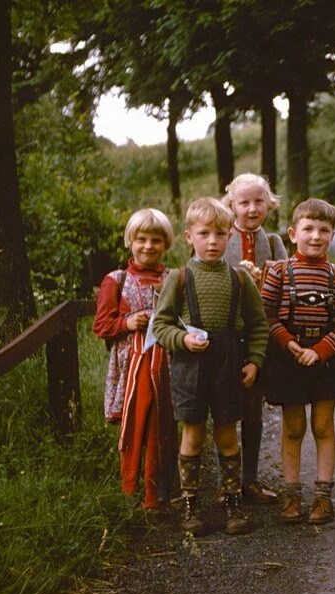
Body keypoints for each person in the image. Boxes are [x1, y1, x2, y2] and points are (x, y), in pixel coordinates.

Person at [152, 197, 269, 535]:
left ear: (230, 236)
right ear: (189, 236)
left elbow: (258, 325)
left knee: (227, 432)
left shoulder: (241, 279)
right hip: (191, 366)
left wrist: (255, 362)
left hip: (229, 362)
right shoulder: (180, 277)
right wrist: (182, 340)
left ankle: (233, 501)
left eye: (220, 234)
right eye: (204, 234)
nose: (213, 241)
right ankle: (191, 504)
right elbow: (161, 325)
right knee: (192, 433)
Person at [261, 198, 335, 525]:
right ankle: (291, 495)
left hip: (326, 359)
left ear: (332, 235)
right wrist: (290, 344)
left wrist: (320, 350)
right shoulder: (278, 271)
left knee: (322, 425)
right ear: (292, 233)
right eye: (308, 229)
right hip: (288, 357)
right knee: (294, 427)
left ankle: (323, 496)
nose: (315, 236)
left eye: (324, 230)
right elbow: (267, 315)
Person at [93, 208, 178, 512]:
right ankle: (129, 487)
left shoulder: (173, 278)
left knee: (161, 426)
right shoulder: (115, 280)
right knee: (134, 424)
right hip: (131, 365)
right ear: (130, 240)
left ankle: (157, 493)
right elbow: (102, 326)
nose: (148, 246)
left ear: (166, 244)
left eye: (156, 240)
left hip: (165, 363)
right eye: (141, 239)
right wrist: (127, 323)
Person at [221, 173, 287, 505]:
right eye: (243, 202)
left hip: (260, 339)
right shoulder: (220, 238)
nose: (251, 209)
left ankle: (250, 480)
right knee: (224, 409)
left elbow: (286, 284)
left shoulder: (274, 242)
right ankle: (227, 482)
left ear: (269, 204)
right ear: (231, 204)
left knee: (254, 410)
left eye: (258, 201)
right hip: (227, 337)